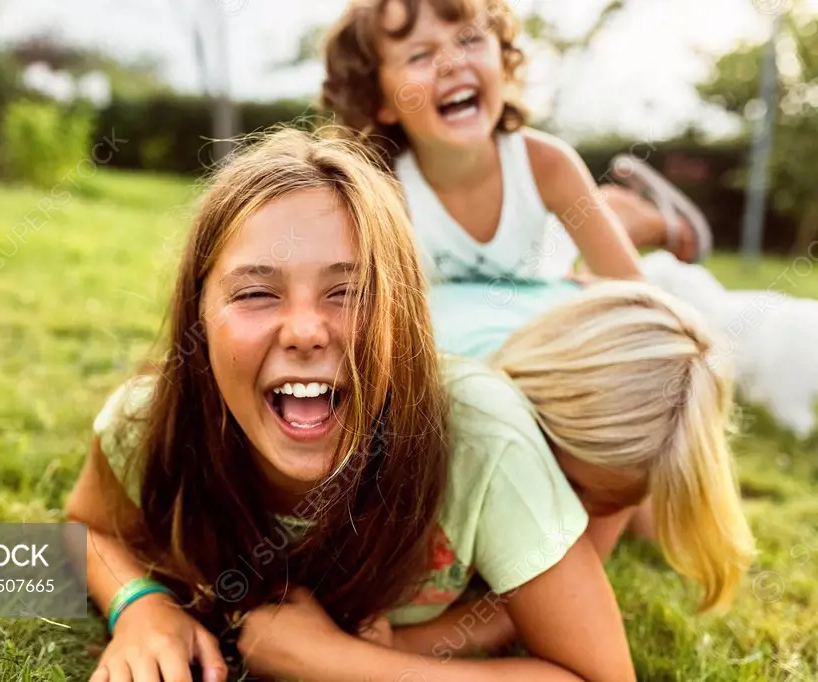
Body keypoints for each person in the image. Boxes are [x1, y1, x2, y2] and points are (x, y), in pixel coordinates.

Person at [66, 128, 637, 682]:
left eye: (351, 292)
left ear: (404, 317)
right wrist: (139, 605)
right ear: (199, 318)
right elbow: (84, 530)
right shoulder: (148, 421)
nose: (306, 331)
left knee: (630, 496)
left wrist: (332, 663)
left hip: (563, 435)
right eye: (257, 292)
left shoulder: (482, 437)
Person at [320, 0, 817, 439]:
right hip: (520, 302)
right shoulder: (386, 190)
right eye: (420, 55)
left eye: (470, 38)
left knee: (712, 324)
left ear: (502, 55)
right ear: (381, 100)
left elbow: (635, 293)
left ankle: (647, 224)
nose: (452, 62)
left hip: (557, 289)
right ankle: (631, 218)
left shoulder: (544, 163)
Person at [388, 278, 756, 654]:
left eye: (608, 504)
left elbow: (528, 605)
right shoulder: (453, 414)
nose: (577, 513)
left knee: (655, 528)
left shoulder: (625, 452)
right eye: (569, 486)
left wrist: (398, 646)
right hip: (487, 311)